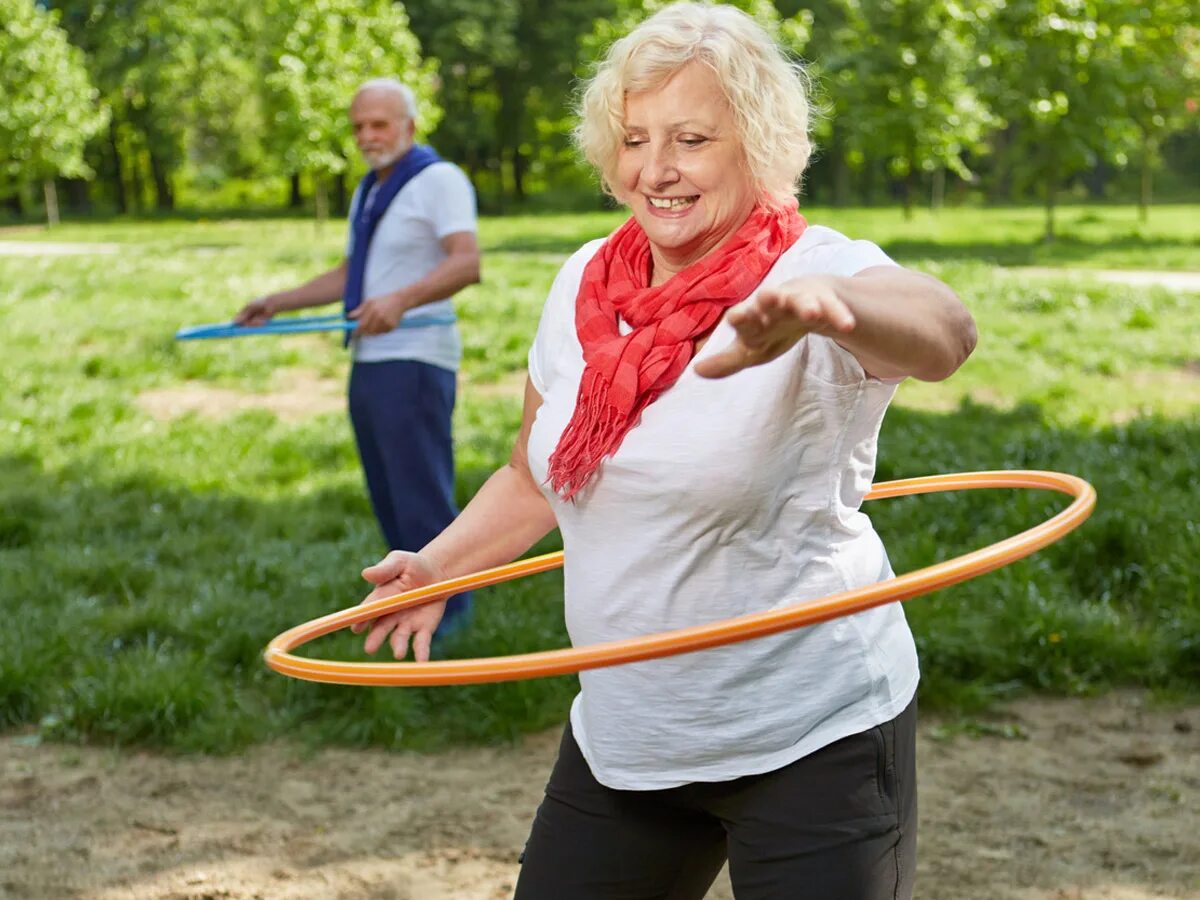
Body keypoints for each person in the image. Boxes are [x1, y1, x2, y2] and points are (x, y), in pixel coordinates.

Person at [353, 4, 976, 896]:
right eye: (635, 137)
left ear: (757, 146)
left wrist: (832, 308)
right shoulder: (584, 281)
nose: (657, 169)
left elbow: (946, 332)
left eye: (691, 138)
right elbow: (536, 474)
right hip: (629, 735)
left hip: (812, 733)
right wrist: (437, 568)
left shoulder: (814, 269)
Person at [237, 78, 480, 637]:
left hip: (416, 362)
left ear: (410, 127)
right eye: (359, 126)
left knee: (420, 495)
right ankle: (406, 600)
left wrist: (402, 299)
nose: (368, 136)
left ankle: (450, 618)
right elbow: (353, 275)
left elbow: (465, 262)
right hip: (370, 361)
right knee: (389, 495)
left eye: (380, 124)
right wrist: (279, 302)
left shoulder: (438, 180)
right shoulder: (370, 189)